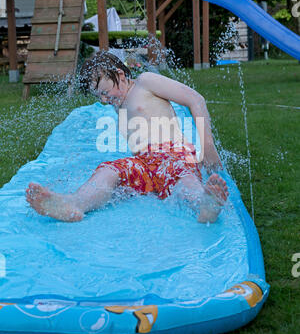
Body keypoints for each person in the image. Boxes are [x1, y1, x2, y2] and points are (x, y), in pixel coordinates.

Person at [26, 51, 228, 223]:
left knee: (182, 177)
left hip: (173, 154)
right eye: (99, 97)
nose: (105, 100)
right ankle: (75, 204)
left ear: (120, 75)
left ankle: (204, 204)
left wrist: (208, 147)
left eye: (105, 92)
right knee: (109, 170)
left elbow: (196, 99)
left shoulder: (145, 82)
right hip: (144, 164)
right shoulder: (119, 103)